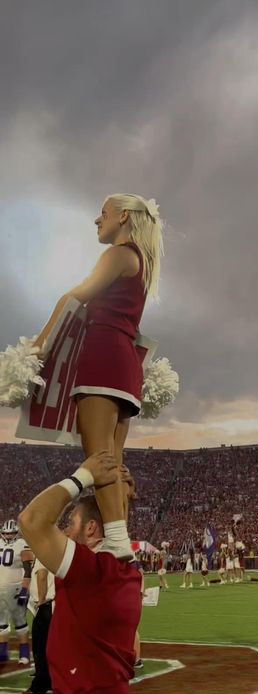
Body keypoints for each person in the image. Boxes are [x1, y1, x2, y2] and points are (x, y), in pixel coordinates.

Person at [18, 451, 147, 694]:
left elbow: (31, 521)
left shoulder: (94, 574)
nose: (65, 531)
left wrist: (81, 477)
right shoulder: (106, 571)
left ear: (92, 530)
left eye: (70, 523)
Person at [33, 194, 163, 562]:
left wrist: (38, 348)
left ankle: (118, 546)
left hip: (103, 357)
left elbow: (75, 296)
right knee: (113, 459)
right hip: (125, 365)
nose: (96, 220)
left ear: (123, 216)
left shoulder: (119, 254)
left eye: (102, 214)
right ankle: (117, 540)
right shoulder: (141, 260)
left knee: (99, 455)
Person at [0, 519, 34, 664]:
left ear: (16, 533)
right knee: (1, 623)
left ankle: (24, 654)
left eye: (11, 533)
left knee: (19, 622)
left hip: (16, 588)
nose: (8, 536)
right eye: (6, 533)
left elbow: (28, 570)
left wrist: (24, 589)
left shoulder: (21, 544)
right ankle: (2, 653)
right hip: (0, 589)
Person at [23, 558, 55, 694]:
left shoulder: (43, 555)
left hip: (45, 605)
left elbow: (42, 576)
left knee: (40, 648)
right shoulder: (53, 554)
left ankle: (40, 685)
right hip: (52, 605)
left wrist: (41, 601)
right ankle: (52, 681)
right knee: (51, 647)